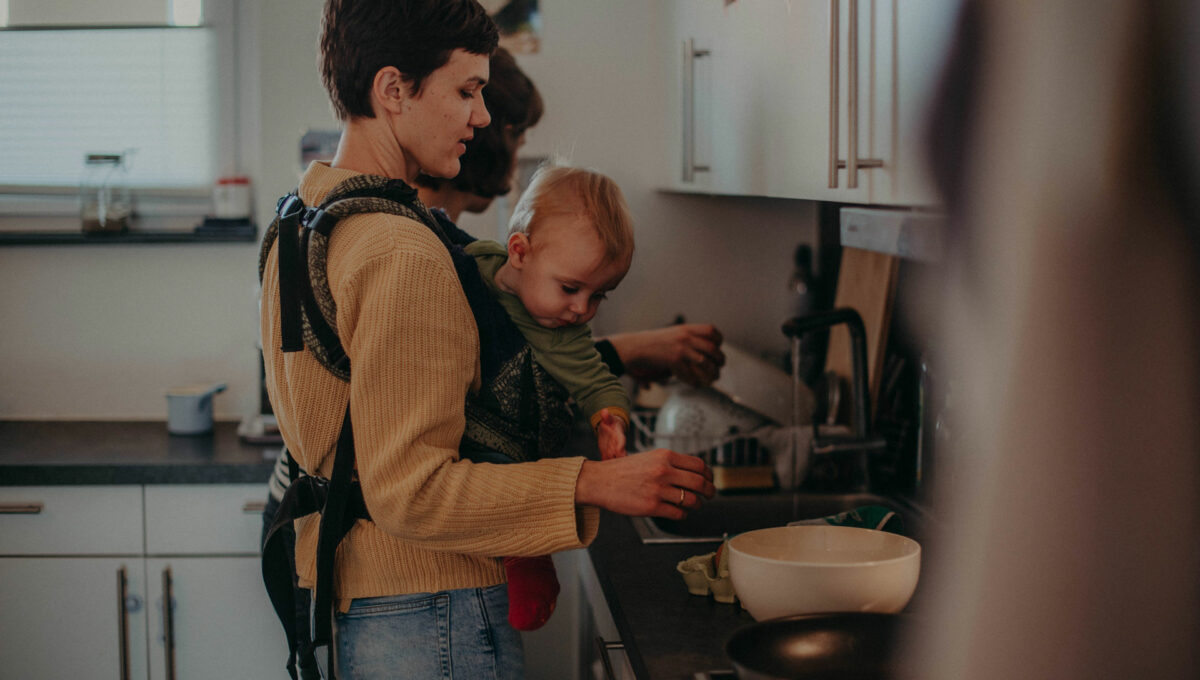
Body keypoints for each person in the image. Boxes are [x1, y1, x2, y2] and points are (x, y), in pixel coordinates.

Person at [258, 2, 714, 678]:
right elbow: (412, 491)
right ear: (393, 90)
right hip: (427, 608)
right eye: (466, 90)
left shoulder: (303, 218)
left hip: (358, 595)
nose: (481, 114)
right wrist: (594, 482)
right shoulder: (403, 254)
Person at [457, 163, 637, 631]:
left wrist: (609, 420)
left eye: (600, 296)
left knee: (504, 470)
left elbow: (596, 380)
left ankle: (528, 553)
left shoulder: (565, 334)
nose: (582, 310)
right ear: (518, 251)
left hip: (506, 447)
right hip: (447, 432)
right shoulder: (470, 264)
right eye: (571, 288)